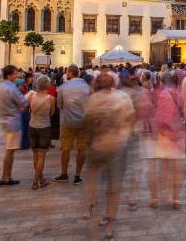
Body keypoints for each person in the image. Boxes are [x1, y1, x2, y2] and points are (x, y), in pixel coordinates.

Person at [84, 73, 135, 240]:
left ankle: (94, 207)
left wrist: (89, 142)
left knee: (94, 177)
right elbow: (130, 119)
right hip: (118, 145)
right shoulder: (123, 97)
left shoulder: (93, 99)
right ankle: (110, 223)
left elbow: (88, 123)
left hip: (98, 145)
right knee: (114, 186)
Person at [153, 71, 186, 209]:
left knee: (165, 167)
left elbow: (160, 116)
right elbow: (185, 113)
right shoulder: (180, 93)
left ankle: (165, 194)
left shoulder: (162, 95)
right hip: (178, 133)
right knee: (178, 168)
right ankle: (176, 198)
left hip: (165, 134)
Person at [54, 64, 91, 185]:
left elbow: (59, 105)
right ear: (79, 73)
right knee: (81, 149)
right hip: (84, 122)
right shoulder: (87, 87)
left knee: (66, 149)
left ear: (69, 73)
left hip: (68, 121)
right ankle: (77, 175)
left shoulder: (63, 87)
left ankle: (64, 173)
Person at [0, 65, 28, 186]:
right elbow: (23, 102)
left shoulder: (1, 86)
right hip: (13, 121)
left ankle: (7, 176)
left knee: (9, 150)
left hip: (4, 120)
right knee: (10, 151)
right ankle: (5, 177)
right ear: (9, 75)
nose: (17, 76)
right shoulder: (11, 88)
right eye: (15, 74)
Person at [28, 75, 55, 190]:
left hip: (32, 126)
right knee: (42, 156)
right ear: (48, 85)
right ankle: (35, 180)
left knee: (35, 154)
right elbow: (52, 113)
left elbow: (29, 110)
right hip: (44, 127)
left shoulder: (31, 96)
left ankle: (41, 179)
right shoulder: (51, 99)